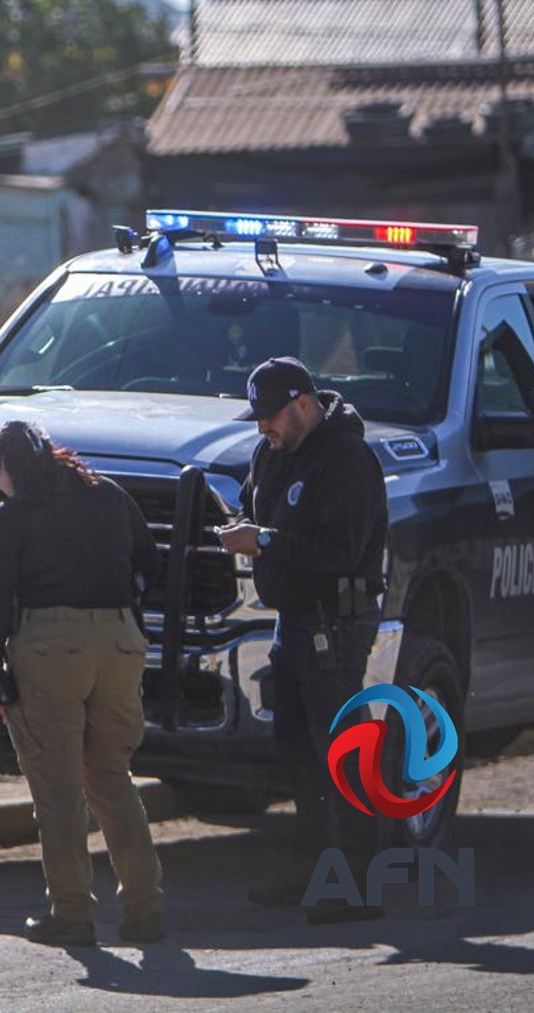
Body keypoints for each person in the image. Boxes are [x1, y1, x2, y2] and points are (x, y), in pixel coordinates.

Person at [0, 419, 166, 948]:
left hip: (51, 650)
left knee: (58, 789)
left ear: (7, 468)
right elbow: (151, 564)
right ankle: (146, 908)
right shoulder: (108, 493)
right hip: (121, 645)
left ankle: (72, 913)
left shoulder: (12, 515)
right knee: (113, 778)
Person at [217, 356, 388, 924]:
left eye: (271, 416)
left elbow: (339, 550)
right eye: (259, 418)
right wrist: (238, 526)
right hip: (293, 620)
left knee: (342, 752)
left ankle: (358, 884)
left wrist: (264, 540)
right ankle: (309, 869)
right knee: (298, 749)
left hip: (336, 620)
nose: (263, 427)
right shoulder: (272, 452)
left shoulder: (347, 459)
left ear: (304, 405)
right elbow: (254, 506)